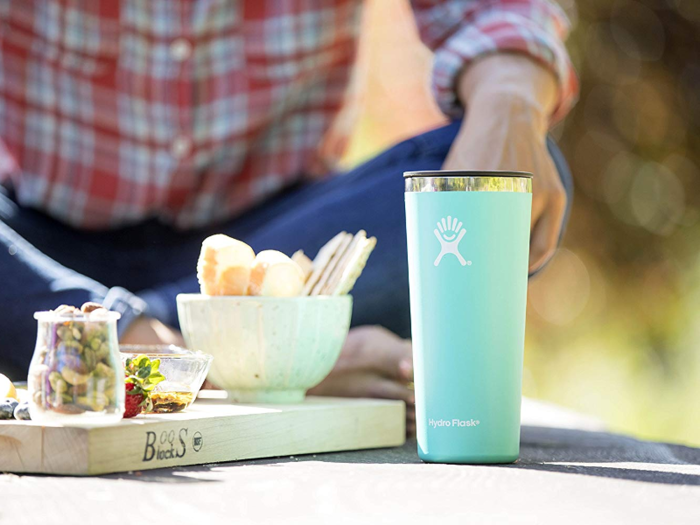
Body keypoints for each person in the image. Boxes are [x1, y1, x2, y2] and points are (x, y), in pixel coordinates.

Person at [0, 1, 577, 432]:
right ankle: (244, 358)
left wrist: (510, 98)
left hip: (277, 260)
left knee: (510, 177)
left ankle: (127, 349)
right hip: (33, 255)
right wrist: (284, 357)